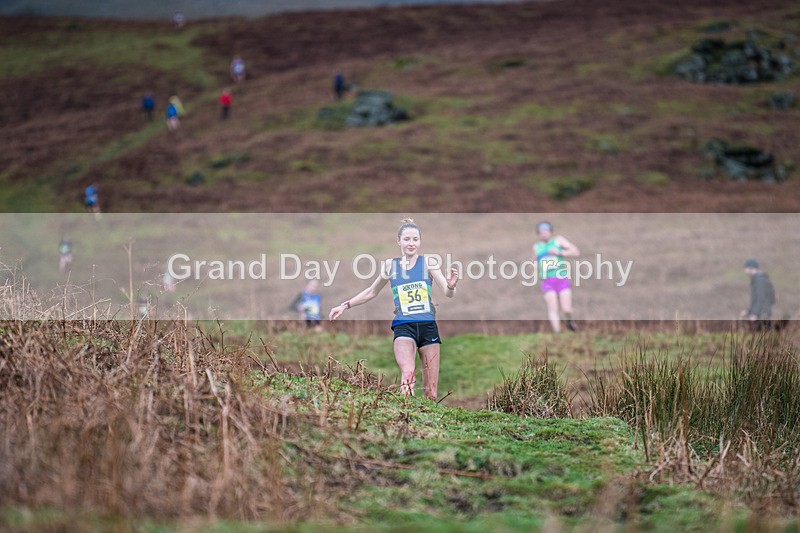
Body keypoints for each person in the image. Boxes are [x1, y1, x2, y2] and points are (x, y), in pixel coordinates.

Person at [329, 218, 459, 400]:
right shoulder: (391, 265)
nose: (411, 243)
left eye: (415, 239)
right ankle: (405, 419)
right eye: (407, 239)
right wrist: (346, 305)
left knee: (431, 392)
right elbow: (371, 291)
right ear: (399, 241)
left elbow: (448, 292)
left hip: (428, 327)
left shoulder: (429, 262)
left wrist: (451, 286)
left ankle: (425, 424)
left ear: (420, 241)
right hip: (403, 326)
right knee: (407, 374)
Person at [533, 221, 580, 333]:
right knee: (553, 309)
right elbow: (535, 261)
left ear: (550, 232)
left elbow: (576, 252)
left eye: (546, 231)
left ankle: (569, 321)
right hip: (547, 281)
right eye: (541, 232)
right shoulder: (536, 247)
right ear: (538, 234)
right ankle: (557, 334)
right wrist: (534, 266)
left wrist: (559, 252)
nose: (544, 234)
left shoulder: (558, 240)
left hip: (562, 279)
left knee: (566, 309)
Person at [740, 259, 776, 331]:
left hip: (762, 313)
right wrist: (749, 310)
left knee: (762, 336)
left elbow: (761, 298)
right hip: (762, 311)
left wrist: (755, 314)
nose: (744, 269)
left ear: (751, 268)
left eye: (746, 267)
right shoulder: (758, 279)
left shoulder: (759, 280)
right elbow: (755, 299)